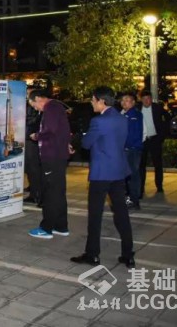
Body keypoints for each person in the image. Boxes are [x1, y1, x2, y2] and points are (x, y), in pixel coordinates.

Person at [71, 86, 134, 268]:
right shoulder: (122, 119)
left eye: (93, 100)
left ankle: (92, 254)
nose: (91, 103)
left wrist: (80, 138)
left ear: (101, 101)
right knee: (121, 213)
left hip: (101, 173)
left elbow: (86, 143)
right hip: (118, 171)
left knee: (95, 215)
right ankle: (128, 254)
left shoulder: (99, 121)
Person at [27, 89, 71, 240]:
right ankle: (61, 226)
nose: (35, 109)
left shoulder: (51, 108)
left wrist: (36, 136)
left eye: (34, 105)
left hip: (52, 156)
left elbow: (49, 131)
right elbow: (63, 131)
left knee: (50, 192)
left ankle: (46, 228)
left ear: (39, 99)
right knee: (58, 191)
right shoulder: (57, 107)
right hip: (57, 155)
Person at [138, 90, 170, 196]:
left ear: (151, 99)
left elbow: (168, 118)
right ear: (141, 100)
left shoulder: (157, 108)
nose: (146, 101)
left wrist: (162, 135)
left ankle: (159, 186)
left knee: (158, 164)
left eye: (148, 99)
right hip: (143, 140)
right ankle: (141, 188)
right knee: (141, 165)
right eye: (144, 99)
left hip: (155, 139)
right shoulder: (137, 109)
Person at [120, 91, 143, 210]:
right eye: (122, 100)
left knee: (132, 176)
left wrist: (125, 145)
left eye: (127, 100)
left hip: (132, 150)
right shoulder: (124, 114)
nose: (124, 102)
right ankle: (130, 199)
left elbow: (132, 134)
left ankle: (134, 200)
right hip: (127, 149)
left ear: (133, 102)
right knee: (127, 176)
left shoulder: (134, 115)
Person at [23, 96, 43, 206]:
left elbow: (32, 123)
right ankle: (35, 193)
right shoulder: (34, 109)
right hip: (30, 140)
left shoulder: (38, 110)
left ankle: (36, 195)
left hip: (32, 141)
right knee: (31, 170)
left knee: (33, 169)